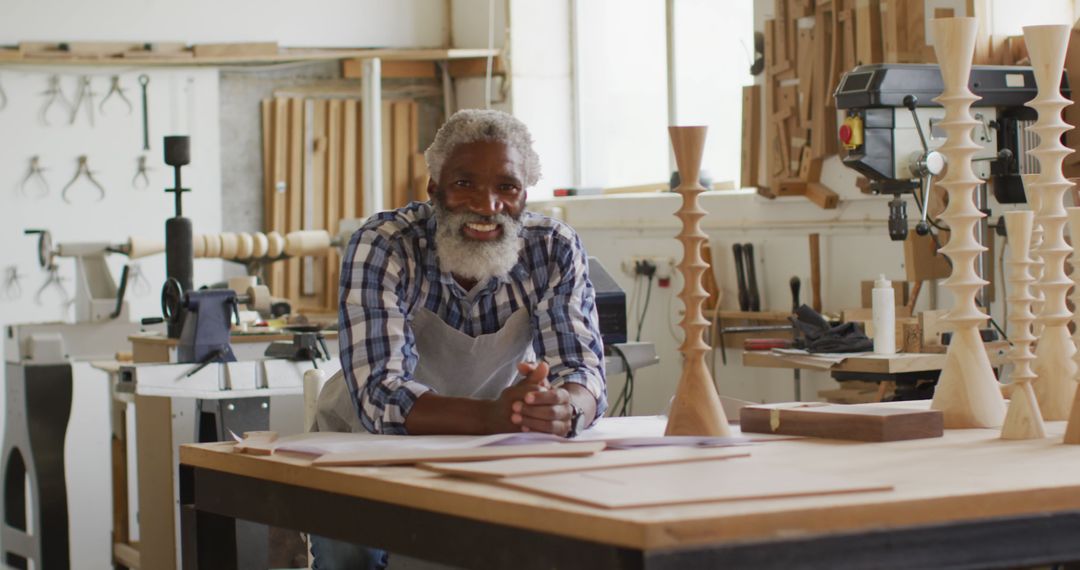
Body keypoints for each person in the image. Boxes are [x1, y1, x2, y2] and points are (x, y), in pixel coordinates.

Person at [311, 109, 607, 569]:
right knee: (354, 554)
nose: (487, 205)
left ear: (524, 195)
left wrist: (562, 409)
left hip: (491, 444)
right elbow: (379, 397)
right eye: (465, 183)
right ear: (434, 189)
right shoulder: (385, 245)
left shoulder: (552, 249)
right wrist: (495, 415)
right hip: (365, 447)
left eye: (506, 187)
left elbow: (583, 373)